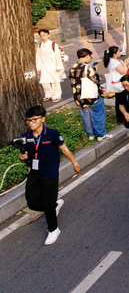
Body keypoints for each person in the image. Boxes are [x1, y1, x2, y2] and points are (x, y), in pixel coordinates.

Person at [18, 105, 81, 245]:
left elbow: (64, 149)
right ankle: (53, 206)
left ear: (42, 119)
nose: (31, 123)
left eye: (34, 120)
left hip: (50, 173)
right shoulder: (25, 137)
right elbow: (21, 156)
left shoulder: (52, 134)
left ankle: (53, 229)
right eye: (28, 120)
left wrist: (75, 163)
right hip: (35, 172)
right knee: (32, 202)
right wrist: (22, 157)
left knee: (47, 201)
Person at [69, 49, 109, 141]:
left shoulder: (73, 68)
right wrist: (97, 71)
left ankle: (90, 134)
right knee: (97, 114)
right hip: (92, 96)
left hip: (79, 97)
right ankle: (100, 134)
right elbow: (96, 79)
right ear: (87, 56)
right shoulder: (88, 67)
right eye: (90, 56)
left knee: (86, 116)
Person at [36, 29, 65, 102]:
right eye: (41, 35)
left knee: (55, 81)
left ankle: (56, 95)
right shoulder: (40, 45)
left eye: (44, 35)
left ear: (48, 35)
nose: (43, 37)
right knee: (44, 81)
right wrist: (38, 68)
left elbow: (57, 55)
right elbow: (38, 57)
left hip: (53, 65)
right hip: (44, 65)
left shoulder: (53, 44)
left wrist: (58, 66)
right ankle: (48, 94)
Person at [104, 46, 129, 123]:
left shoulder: (110, 61)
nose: (120, 52)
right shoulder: (115, 62)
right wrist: (124, 64)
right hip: (119, 84)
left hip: (115, 83)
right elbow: (124, 72)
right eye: (118, 51)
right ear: (114, 54)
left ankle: (120, 117)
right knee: (121, 101)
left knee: (118, 100)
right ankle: (122, 118)